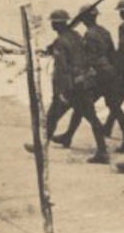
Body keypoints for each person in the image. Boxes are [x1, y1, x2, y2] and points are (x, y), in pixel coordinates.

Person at [46, 8, 110, 162]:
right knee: (92, 117)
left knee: (52, 116)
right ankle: (102, 151)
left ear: (56, 24)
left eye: (53, 23)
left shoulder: (60, 41)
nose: (52, 26)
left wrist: (60, 91)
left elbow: (62, 68)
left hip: (71, 86)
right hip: (84, 82)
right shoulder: (77, 35)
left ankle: (41, 145)